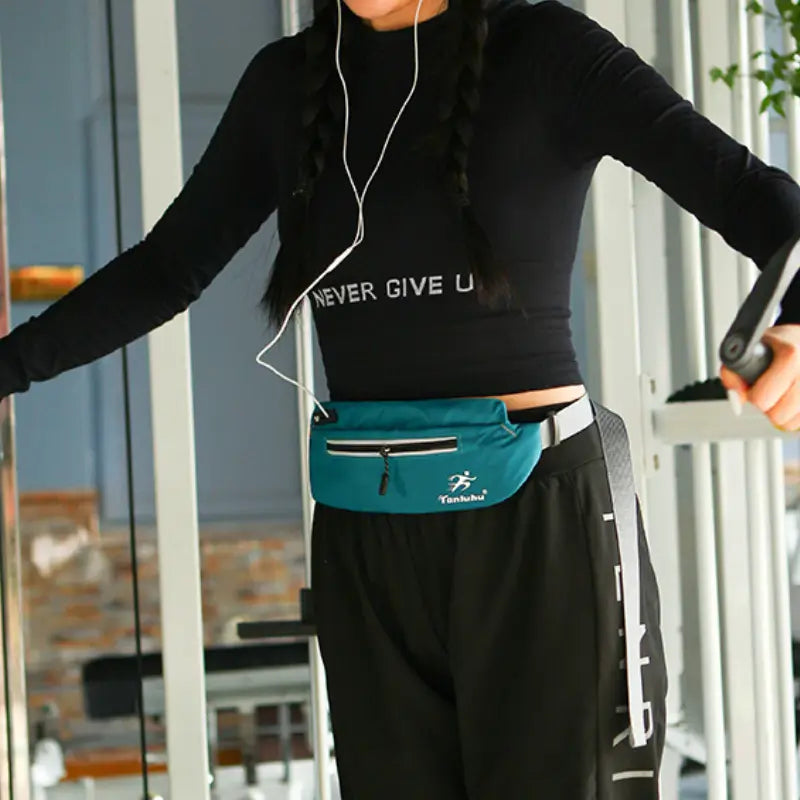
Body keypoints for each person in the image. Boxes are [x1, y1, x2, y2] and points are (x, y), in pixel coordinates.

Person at [2, 0, 800, 796]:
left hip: (540, 521)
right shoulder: (285, 85)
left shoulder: (547, 49)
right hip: (367, 530)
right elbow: (164, 270)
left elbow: (752, 194)